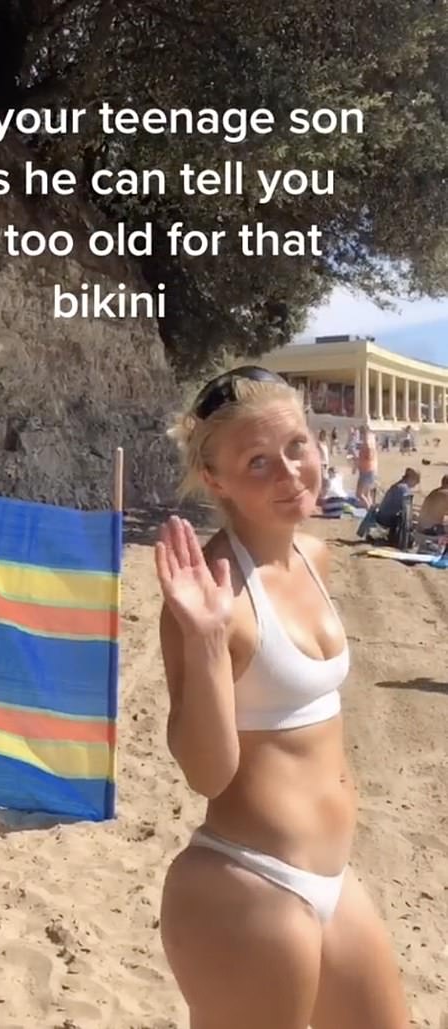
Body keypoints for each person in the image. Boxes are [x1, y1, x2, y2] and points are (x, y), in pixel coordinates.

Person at [155, 366, 409, 1029]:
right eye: (258, 461)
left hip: (333, 875)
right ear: (216, 480)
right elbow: (206, 772)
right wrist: (207, 641)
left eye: (296, 446)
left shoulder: (314, 557)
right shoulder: (212, 592)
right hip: (247, 882)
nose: (290, 472)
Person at [375, 467, 420, 548]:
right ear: (411, 479)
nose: (416, 485)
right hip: (387, 518)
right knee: (412, 520)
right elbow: (407, 510)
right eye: (416, 482)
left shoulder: (399, 485)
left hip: (383, 515)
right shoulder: (403, 489)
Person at [355, 424, 378, 508]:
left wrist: (361, 458)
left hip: (366, 469)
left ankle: (369, 510)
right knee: (366, 493)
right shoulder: (372, 439)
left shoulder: (367, 441)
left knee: (359, 494)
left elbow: (369, 452)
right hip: (371, 468)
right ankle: (371, 509)